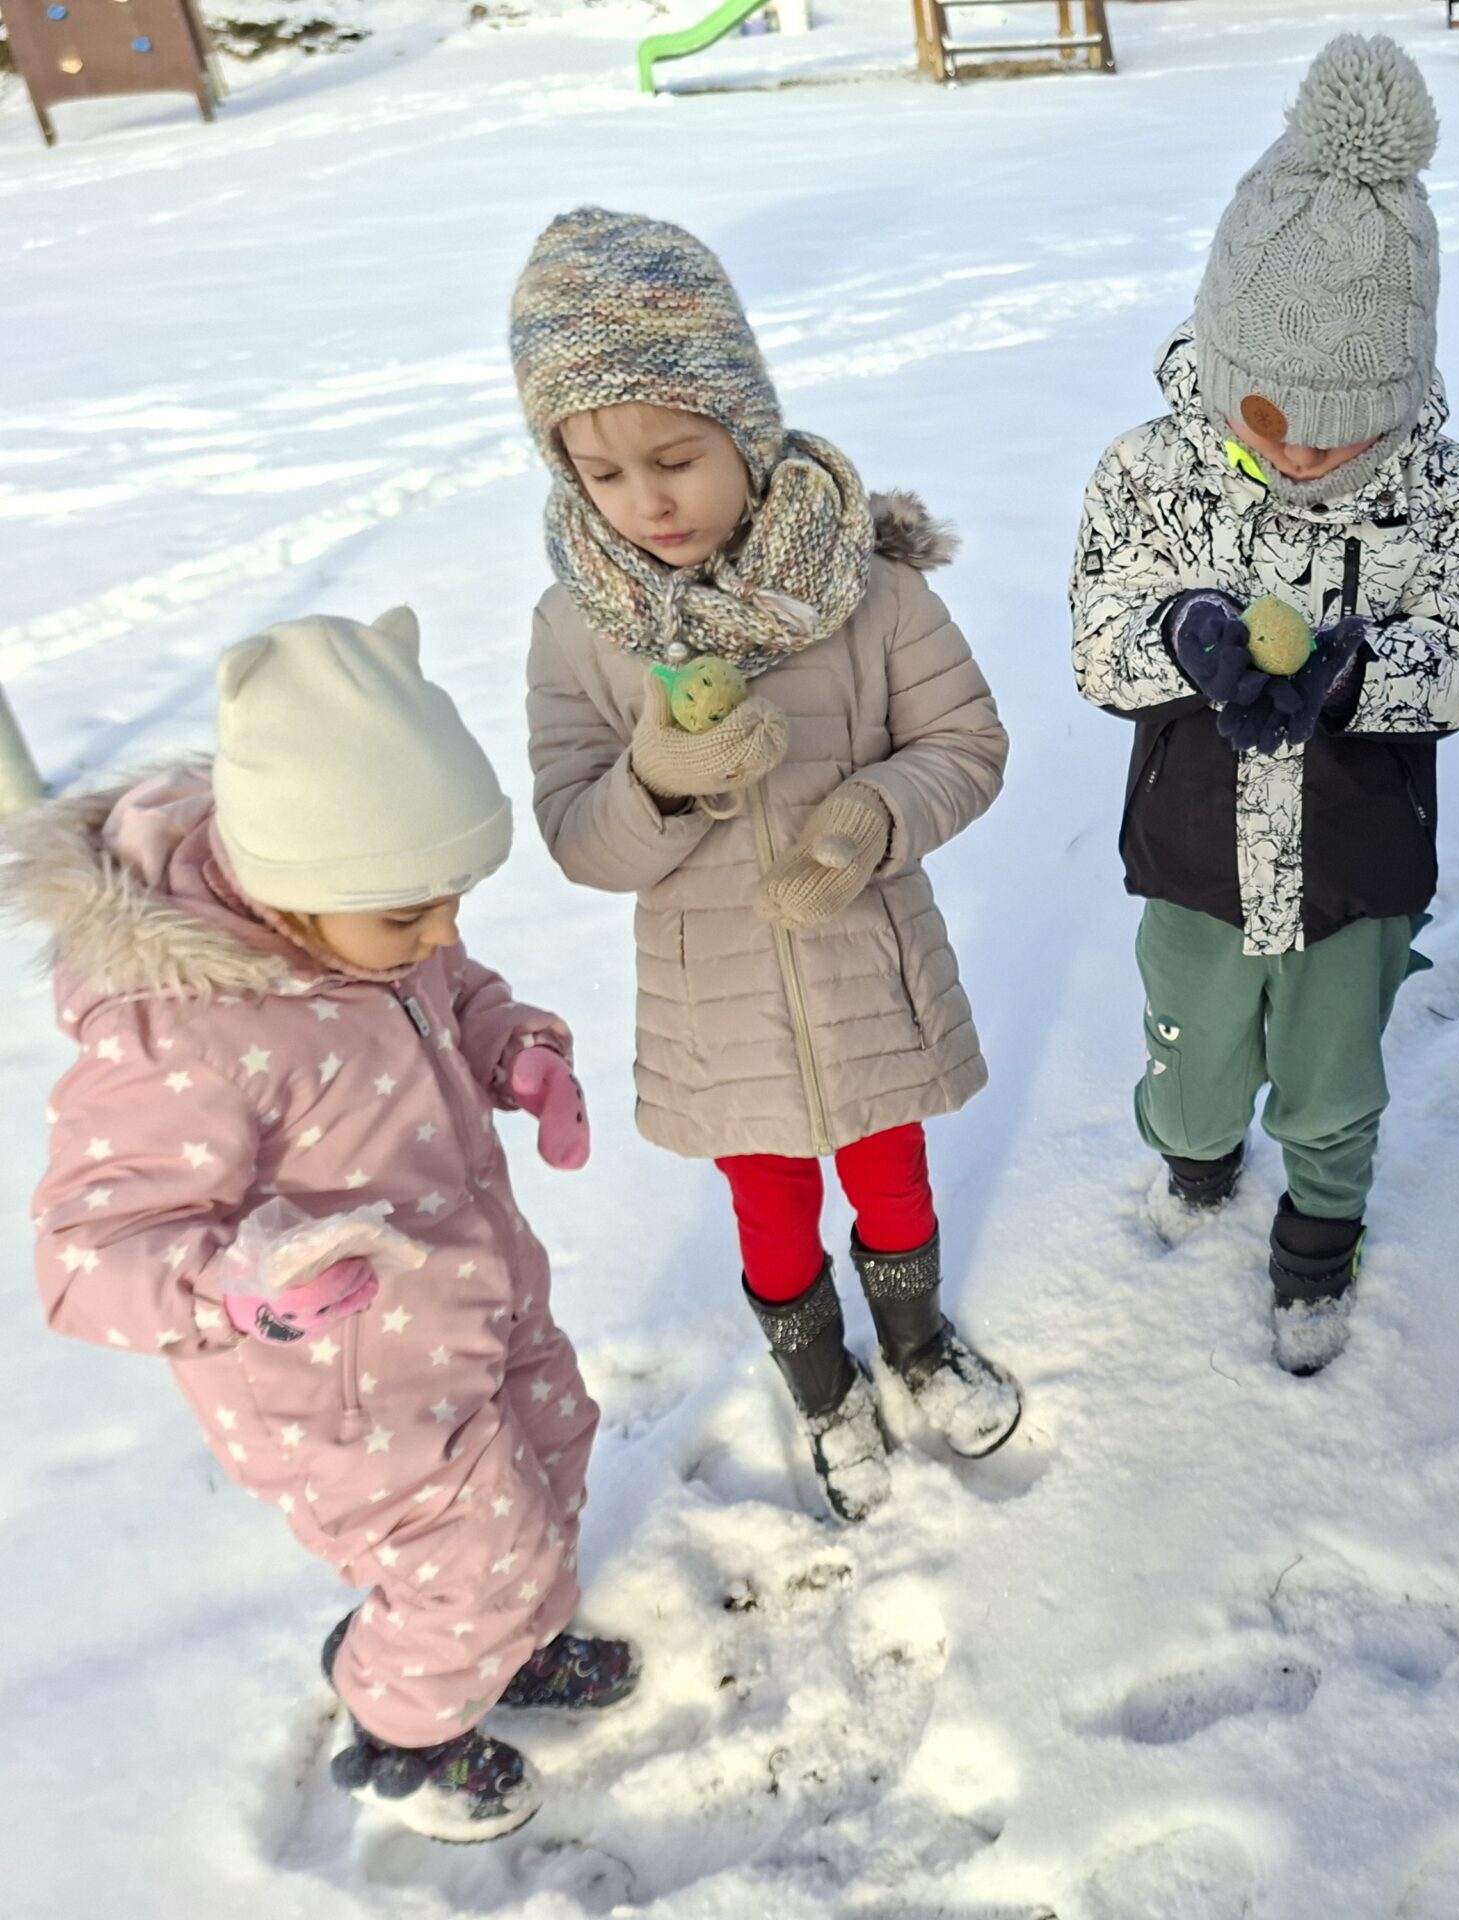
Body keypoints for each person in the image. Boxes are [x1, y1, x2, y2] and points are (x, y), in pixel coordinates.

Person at [6, 610, 633, 1841]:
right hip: (346, 1394)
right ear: (293, 893)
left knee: (555, 1451)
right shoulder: (183, 1032)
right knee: (471, 1563)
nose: (440, 932)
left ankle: (509, 1641)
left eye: (453, 901)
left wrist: (513, 1050)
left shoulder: (368, 904)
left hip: (478, 1300)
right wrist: (233, 1288)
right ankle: (406, 1728)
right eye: (413, 915)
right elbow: (82, 1259)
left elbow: (450, 989)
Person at [516, 209, 1019, 1525]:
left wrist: (868, 819)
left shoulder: (872, 590)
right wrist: (657, 781)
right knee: (773, 1209)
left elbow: (965, 744)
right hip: (719, 1004)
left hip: (868, 966)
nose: (648, 501)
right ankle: (823, 1390)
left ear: (744, 426)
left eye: (677, 457)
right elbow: (576, 833)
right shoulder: (577, 630)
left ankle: (917, 1346)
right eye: (603, 474)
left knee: (893, 1178)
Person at [1068, 35, 1459, 1374]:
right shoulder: (1148, 473)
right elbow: (1096, 647)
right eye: (1274, 414)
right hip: (1195, 866)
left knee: (1332, 1090)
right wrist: (1180, 638)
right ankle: (1197, 1161)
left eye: (1348, 423)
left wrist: (1357, 672)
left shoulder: (1438, 488)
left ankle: (1319, 1241)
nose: (1309, 449)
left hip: (1353, 875)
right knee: (1192, 1067)